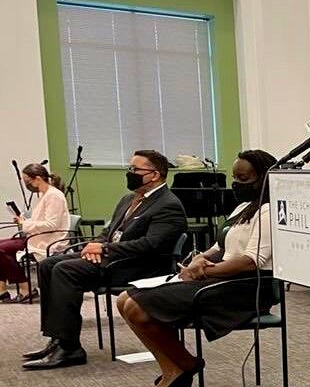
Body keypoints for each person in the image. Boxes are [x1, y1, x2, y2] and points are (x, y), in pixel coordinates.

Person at [116, 149, 277, 387]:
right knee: (124, 299)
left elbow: (251, 261)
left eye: (244, 179)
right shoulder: (244, 207)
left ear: (264, 178)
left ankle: (184, 365)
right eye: (234, 177)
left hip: (247, 288)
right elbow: (219, 248)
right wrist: (198, 259)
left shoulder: (268, 212)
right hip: (219, 278)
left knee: (136, 307)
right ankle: (173, 367)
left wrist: (204, 271)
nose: (236, 184)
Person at [22, 150, 187, 370]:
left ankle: (70, 348)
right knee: (47, 265)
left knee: (65, 270)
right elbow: (108, 231)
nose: (129, 173)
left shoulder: (168, 204)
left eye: (134, 169)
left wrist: (104, 248)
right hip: (112, 256)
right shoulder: (130, 198)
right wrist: (96, 245)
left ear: (154, 175)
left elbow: (150, 245)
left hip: (137, 266)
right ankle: (57, 338)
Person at [0, 163, 70, 302]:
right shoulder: (43, 195)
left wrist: (25, 224)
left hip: (48, 241)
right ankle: (2, 289)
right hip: (37, 236)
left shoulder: (53, 196)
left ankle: (26, 288)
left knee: (1, 249)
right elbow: (41, 220)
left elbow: (51, 225)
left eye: (27, 181)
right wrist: (24, 220)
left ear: (37, 178)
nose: (27, 184)